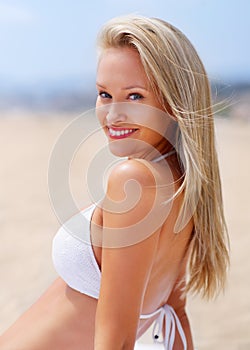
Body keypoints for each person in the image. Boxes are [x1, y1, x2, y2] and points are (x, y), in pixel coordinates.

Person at [0, 14, 229, 350]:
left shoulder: (134, 180)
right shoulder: (183, 184)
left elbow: (117, 340)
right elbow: (175, 313)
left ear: (174, 100)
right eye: (104, 94)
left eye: (134, 96)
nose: (113, 114)